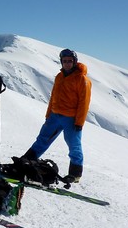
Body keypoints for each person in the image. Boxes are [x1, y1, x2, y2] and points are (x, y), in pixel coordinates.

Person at [22, 48, 92, 183]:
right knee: (42, 138)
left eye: (69, 61)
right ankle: (27, 161)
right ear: (61, 62)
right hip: (55, 115)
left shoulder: (82, 80)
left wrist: (79, 122)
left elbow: (84, 103)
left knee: (73, 145)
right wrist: (48, 114)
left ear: (75, 62)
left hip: (71, 119)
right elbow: (53, 96)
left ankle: (75, 174)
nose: (67, 63)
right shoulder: (59, 77)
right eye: (64, 61)